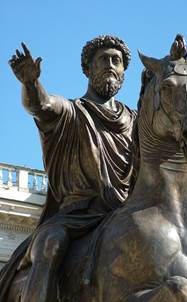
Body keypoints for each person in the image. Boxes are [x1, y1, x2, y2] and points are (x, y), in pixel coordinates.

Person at [2, 35, 138, 302]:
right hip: (77, 215)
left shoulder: (136, 121)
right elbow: (41, 105)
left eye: (117, 61)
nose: (111, 65)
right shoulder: (72, 112)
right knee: (50, 245)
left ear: (123, 71)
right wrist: (31, 83)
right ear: (88, 69)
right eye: (103, 60)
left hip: (125, 213)